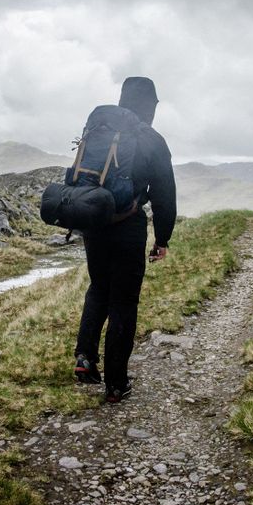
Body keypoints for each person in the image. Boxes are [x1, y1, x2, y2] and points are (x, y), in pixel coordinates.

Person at [73, 76, 177, 403]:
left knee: (99, 287)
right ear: (151, 106)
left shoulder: (99, 129)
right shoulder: (151, 139)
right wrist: (162, 239)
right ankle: (117, 383)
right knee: (124, 301)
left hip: (94, 221)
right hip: (128, 224)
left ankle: (85, 359)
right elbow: (164, 196)